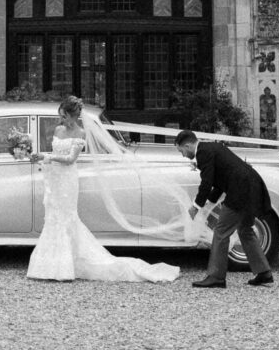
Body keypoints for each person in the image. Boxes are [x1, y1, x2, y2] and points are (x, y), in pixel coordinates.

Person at [27, 96, 181, 283]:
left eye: (63, 116)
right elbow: (55, 154)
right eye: (60, 117)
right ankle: (50, 264)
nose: (61, 121)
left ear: (72, 116)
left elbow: (70, 159)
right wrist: (41, 158)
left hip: (67, 180)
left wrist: (48, 157)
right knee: (52, 217)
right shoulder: (58, 130)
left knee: (66, 217)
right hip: (54, 178)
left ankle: (65, 266)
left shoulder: (81, 133)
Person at [175, 129, 274, 289]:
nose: (183, 155)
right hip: (252, 185)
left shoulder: (203, 153)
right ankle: (264, 272)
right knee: (245, 230)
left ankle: (216, 276)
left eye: (181, 151)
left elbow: (207, 182)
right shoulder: (211, 148)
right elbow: (219, 181)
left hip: (240, 190)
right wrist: (208, 202)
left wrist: (196, 206)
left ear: (187, 145)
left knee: (221, 231)